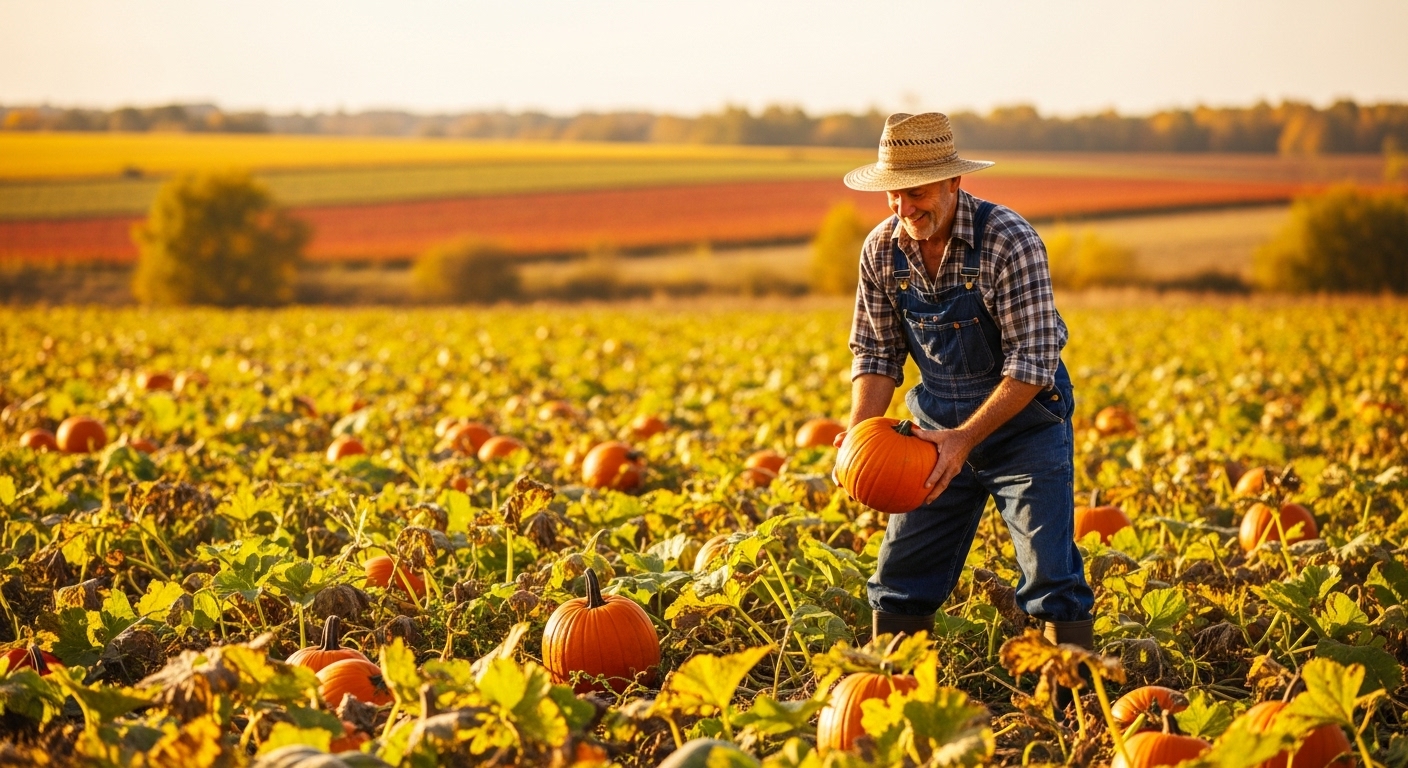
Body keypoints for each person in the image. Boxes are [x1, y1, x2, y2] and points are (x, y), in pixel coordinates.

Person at [836, 112, 1095, 651]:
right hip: (931, 436)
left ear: (954, 181)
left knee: (1051, 578)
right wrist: (860, 436)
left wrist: (965, 440)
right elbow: (878, 352)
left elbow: (1033, 361)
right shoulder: (882, 250)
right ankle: (896, 693)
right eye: (894, 196)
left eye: (919, 193)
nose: (906, 210)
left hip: (1024, 429)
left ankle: (1074, 706)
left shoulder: (1007, 241)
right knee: (901, 577)